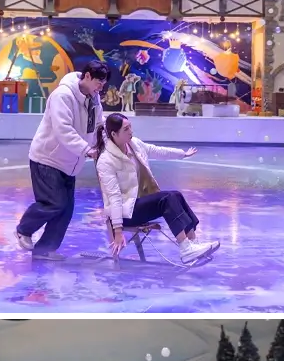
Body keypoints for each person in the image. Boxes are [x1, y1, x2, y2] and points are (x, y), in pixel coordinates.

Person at [95, 113, 219, 266]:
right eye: (126, 129)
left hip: (138, 203)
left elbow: (157, 150)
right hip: (124, 212)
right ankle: (185, 248)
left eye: (130, 127)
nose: (131, 131)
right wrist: (118, 231)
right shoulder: (106, 160)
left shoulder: (134, 144)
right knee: (166, 199)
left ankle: (193, 243)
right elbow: (113, 197)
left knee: (176, 195)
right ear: (114, 134)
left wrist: (182, 154)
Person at [16, 60, 109, 261]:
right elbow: (63, 130)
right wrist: (87, 150)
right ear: (87, 76)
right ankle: (24, 229)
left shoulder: (94, 98)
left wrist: (105, 143)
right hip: (47, 158)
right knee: (54, 203)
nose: (101, 86)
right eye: (99, 81)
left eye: (103, 83)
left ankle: (44, 250)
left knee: (66, 209)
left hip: (70, 163)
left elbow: (99, 124)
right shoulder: (63, 96)